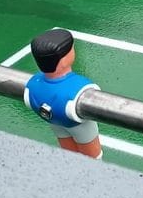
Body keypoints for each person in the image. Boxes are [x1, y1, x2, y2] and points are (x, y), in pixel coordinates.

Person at [24, 28, 102, 158]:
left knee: (68, 152)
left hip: (55, 122)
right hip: (80, 126)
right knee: (92, 156)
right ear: (64, 60)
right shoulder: (81, 86)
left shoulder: (32, 85)